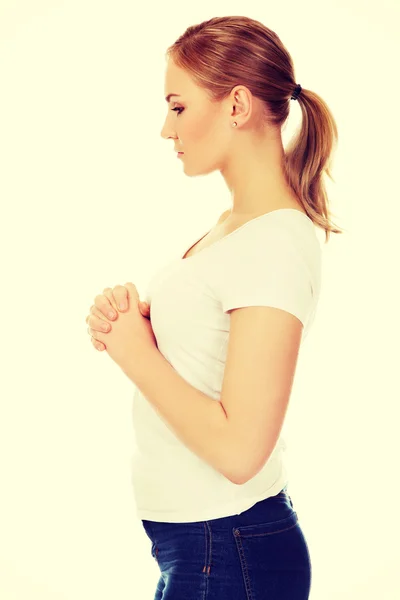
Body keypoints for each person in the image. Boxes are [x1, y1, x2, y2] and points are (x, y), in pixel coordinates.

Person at [135, 15, 342, 600]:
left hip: (225, 552)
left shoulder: (273, 240)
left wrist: (133, 352)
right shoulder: (237, 229)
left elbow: (240, 449)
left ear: (237, 105)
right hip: (207, 549)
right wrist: (149, 329)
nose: (165, 129)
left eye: (177, 107)